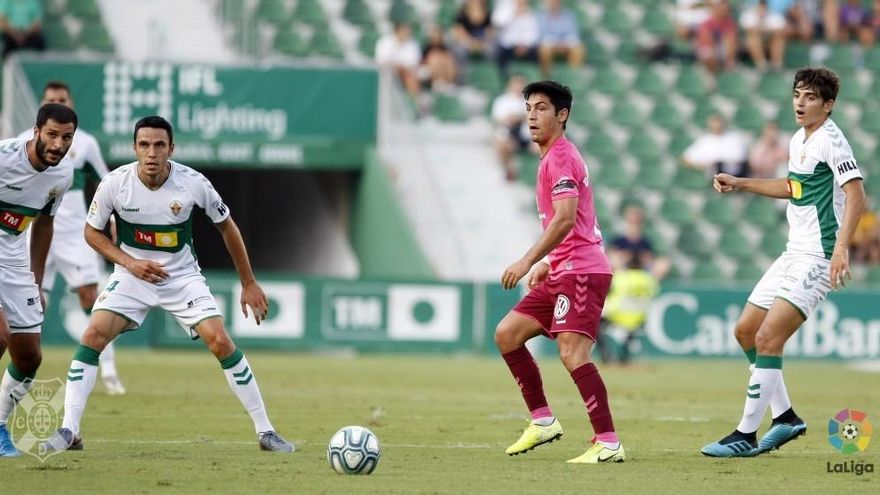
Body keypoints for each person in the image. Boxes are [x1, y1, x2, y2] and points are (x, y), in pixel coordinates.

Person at [43, 116, 293, 453]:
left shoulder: (193, 183)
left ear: (171, 149)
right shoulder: (115, 184)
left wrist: (248, 283)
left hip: (182, 277)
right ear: (135, 148)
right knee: (92, 335)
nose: (151, 153)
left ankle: (266, 432)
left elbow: (227, 227)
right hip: (132, 276)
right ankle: (69, 430)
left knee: (220, 341)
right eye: (144, 145)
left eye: (159, 145)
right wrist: (130, 263)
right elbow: (92, 232)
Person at [702, 67, 865, 457]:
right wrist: (742, 183)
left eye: (810, 97)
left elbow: (856, 195)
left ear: (828, 106)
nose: (800, 102)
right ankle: (786, 417)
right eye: (797, 94)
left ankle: (745, 433)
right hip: (793, 252)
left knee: (768, 338)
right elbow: (795, 188)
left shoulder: (831, 140)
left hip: (819, 256)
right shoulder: (799, 139)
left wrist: (842, 247)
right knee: (746, 331)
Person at [495, 80, 624, 464]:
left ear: (562, 115)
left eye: (542, 108)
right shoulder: (550, 158)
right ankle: (543, 420)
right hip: (563, 268)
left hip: (582, 270)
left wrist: (528, 261)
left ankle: (608, 442)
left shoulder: (562, 157)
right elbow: (579, 221)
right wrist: (549, 262)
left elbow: (567, 220)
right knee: (507, 335)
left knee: (571, 352)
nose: (532, 115)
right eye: (529, 108)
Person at [18, 81, 125, 396]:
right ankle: (25, 368)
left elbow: (105, 182)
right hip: (35, 231)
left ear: (72, 102)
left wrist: (115, 216)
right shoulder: (22, 144)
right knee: (31, 301)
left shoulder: (85, 143)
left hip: (75, 233)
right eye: (51, 99)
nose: (57, 102)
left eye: (62, 99)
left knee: (91, 299)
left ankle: (108, 370)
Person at [0, 103, 77, 457]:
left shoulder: (62, 175)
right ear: (35, 131)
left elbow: (44, 223)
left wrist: (37, 279)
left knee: (29, 356)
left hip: (14, 259)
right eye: (52, 135)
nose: (58, 145)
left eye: (66, 137)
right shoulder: (3, 158)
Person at [596, 256, 659, 365]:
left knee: (596, 327)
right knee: (631, 332)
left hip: (617, 314)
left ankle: (606, 355)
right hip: (638, 317)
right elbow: (653, 294)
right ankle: (623, 357)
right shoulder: (650, 279)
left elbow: (608, 291)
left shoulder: (622, 276)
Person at [608, 203, 671, 280]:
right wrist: (625, 256)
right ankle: (622, 283)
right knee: (614, 259)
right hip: (624, 270)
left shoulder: (645, 242)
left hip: (643, 270)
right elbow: (610, 257)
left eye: (637, 222)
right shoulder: (618, 240)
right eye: (632, 221)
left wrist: (644, 258)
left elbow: (650, 259)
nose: (634, 225)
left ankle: (649, 283)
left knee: (664, 262)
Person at [681, 113, 749, 177]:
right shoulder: (704, 140)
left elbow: (740, 157)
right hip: (713, 176)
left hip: (734, 174)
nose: (717, 127)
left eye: (719, 124)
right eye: (714, 125)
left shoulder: (734, 138)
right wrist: (701, 166)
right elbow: (686, 159)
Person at [491, 74, 531, 181]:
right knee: (501, 144)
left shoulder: (530, 101)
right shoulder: (502, 101)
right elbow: (499, 121)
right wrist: (516, 118)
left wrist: (518, 118)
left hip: (528, 135)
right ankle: (509, 170)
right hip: (509, 134)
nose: (518, 87)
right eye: (516, 84)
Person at [536, 0, 584, 78]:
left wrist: (565, 43)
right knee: (544, 50)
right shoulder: (541, 16)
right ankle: (546, 76)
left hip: (566, 43)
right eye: (551, 2)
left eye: (556, 2)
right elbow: (542, 35)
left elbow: (573, 33)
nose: (553, 4)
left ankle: (573, 76)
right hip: (549, 44)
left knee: (579, 49)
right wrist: (556, 43)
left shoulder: (569, 15)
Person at [375, 22, 422, 99]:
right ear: (397, 31)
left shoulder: (413, 43)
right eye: (404, 30)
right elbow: (381, 62)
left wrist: (401, 68)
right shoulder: (384, 42)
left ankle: (414, 103)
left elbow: (413, 65)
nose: (407, 33)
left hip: (406, 74)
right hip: (387, 74)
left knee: (412, 78)